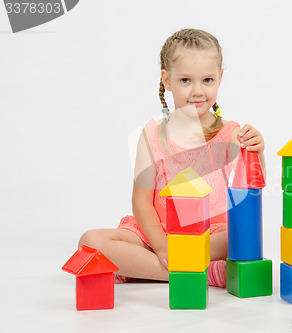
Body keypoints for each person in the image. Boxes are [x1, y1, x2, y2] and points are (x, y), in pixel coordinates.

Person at [78, 28, 266, 288]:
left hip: (209, 236)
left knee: (240, 235)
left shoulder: (232, 134)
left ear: (220, 78)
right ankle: (197, 273)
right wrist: (162, 245)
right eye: (185, 81)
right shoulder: (151, 135)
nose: (198, 91)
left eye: (208, 80)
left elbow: (252, 188)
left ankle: (141, 267)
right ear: (167, 80)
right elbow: (141, 202)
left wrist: (258, 152)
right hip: (157, 233)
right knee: (90, 241)